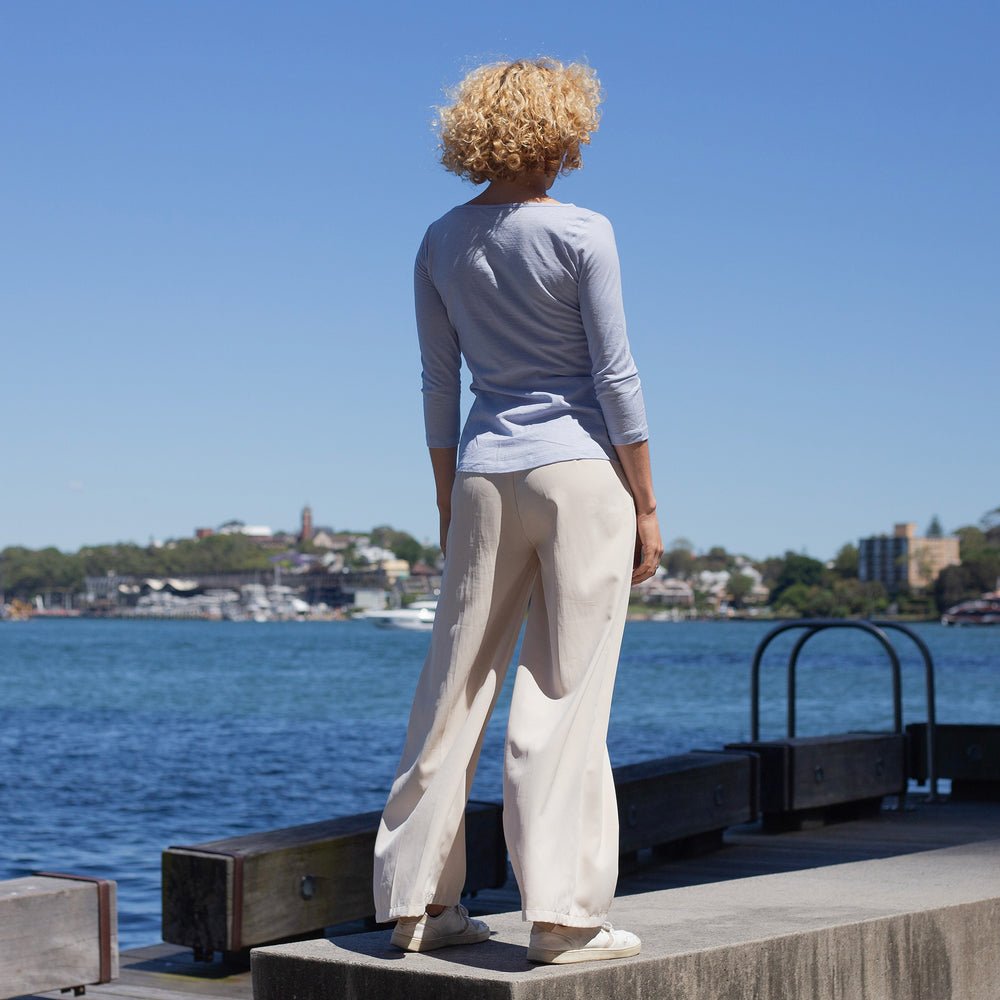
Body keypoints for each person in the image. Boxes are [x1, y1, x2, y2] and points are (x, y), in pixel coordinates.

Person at [373, 56, 662, 965]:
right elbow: (615, 378)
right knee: (564, 696)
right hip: (580, 474)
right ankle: (562, 918)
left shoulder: (439, 241)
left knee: (451, 691)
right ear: (561, 129)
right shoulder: (584, 231)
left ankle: (419, 908)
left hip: (482, 475)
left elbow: (435, 381)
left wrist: (446, 490)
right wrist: (647, 505)